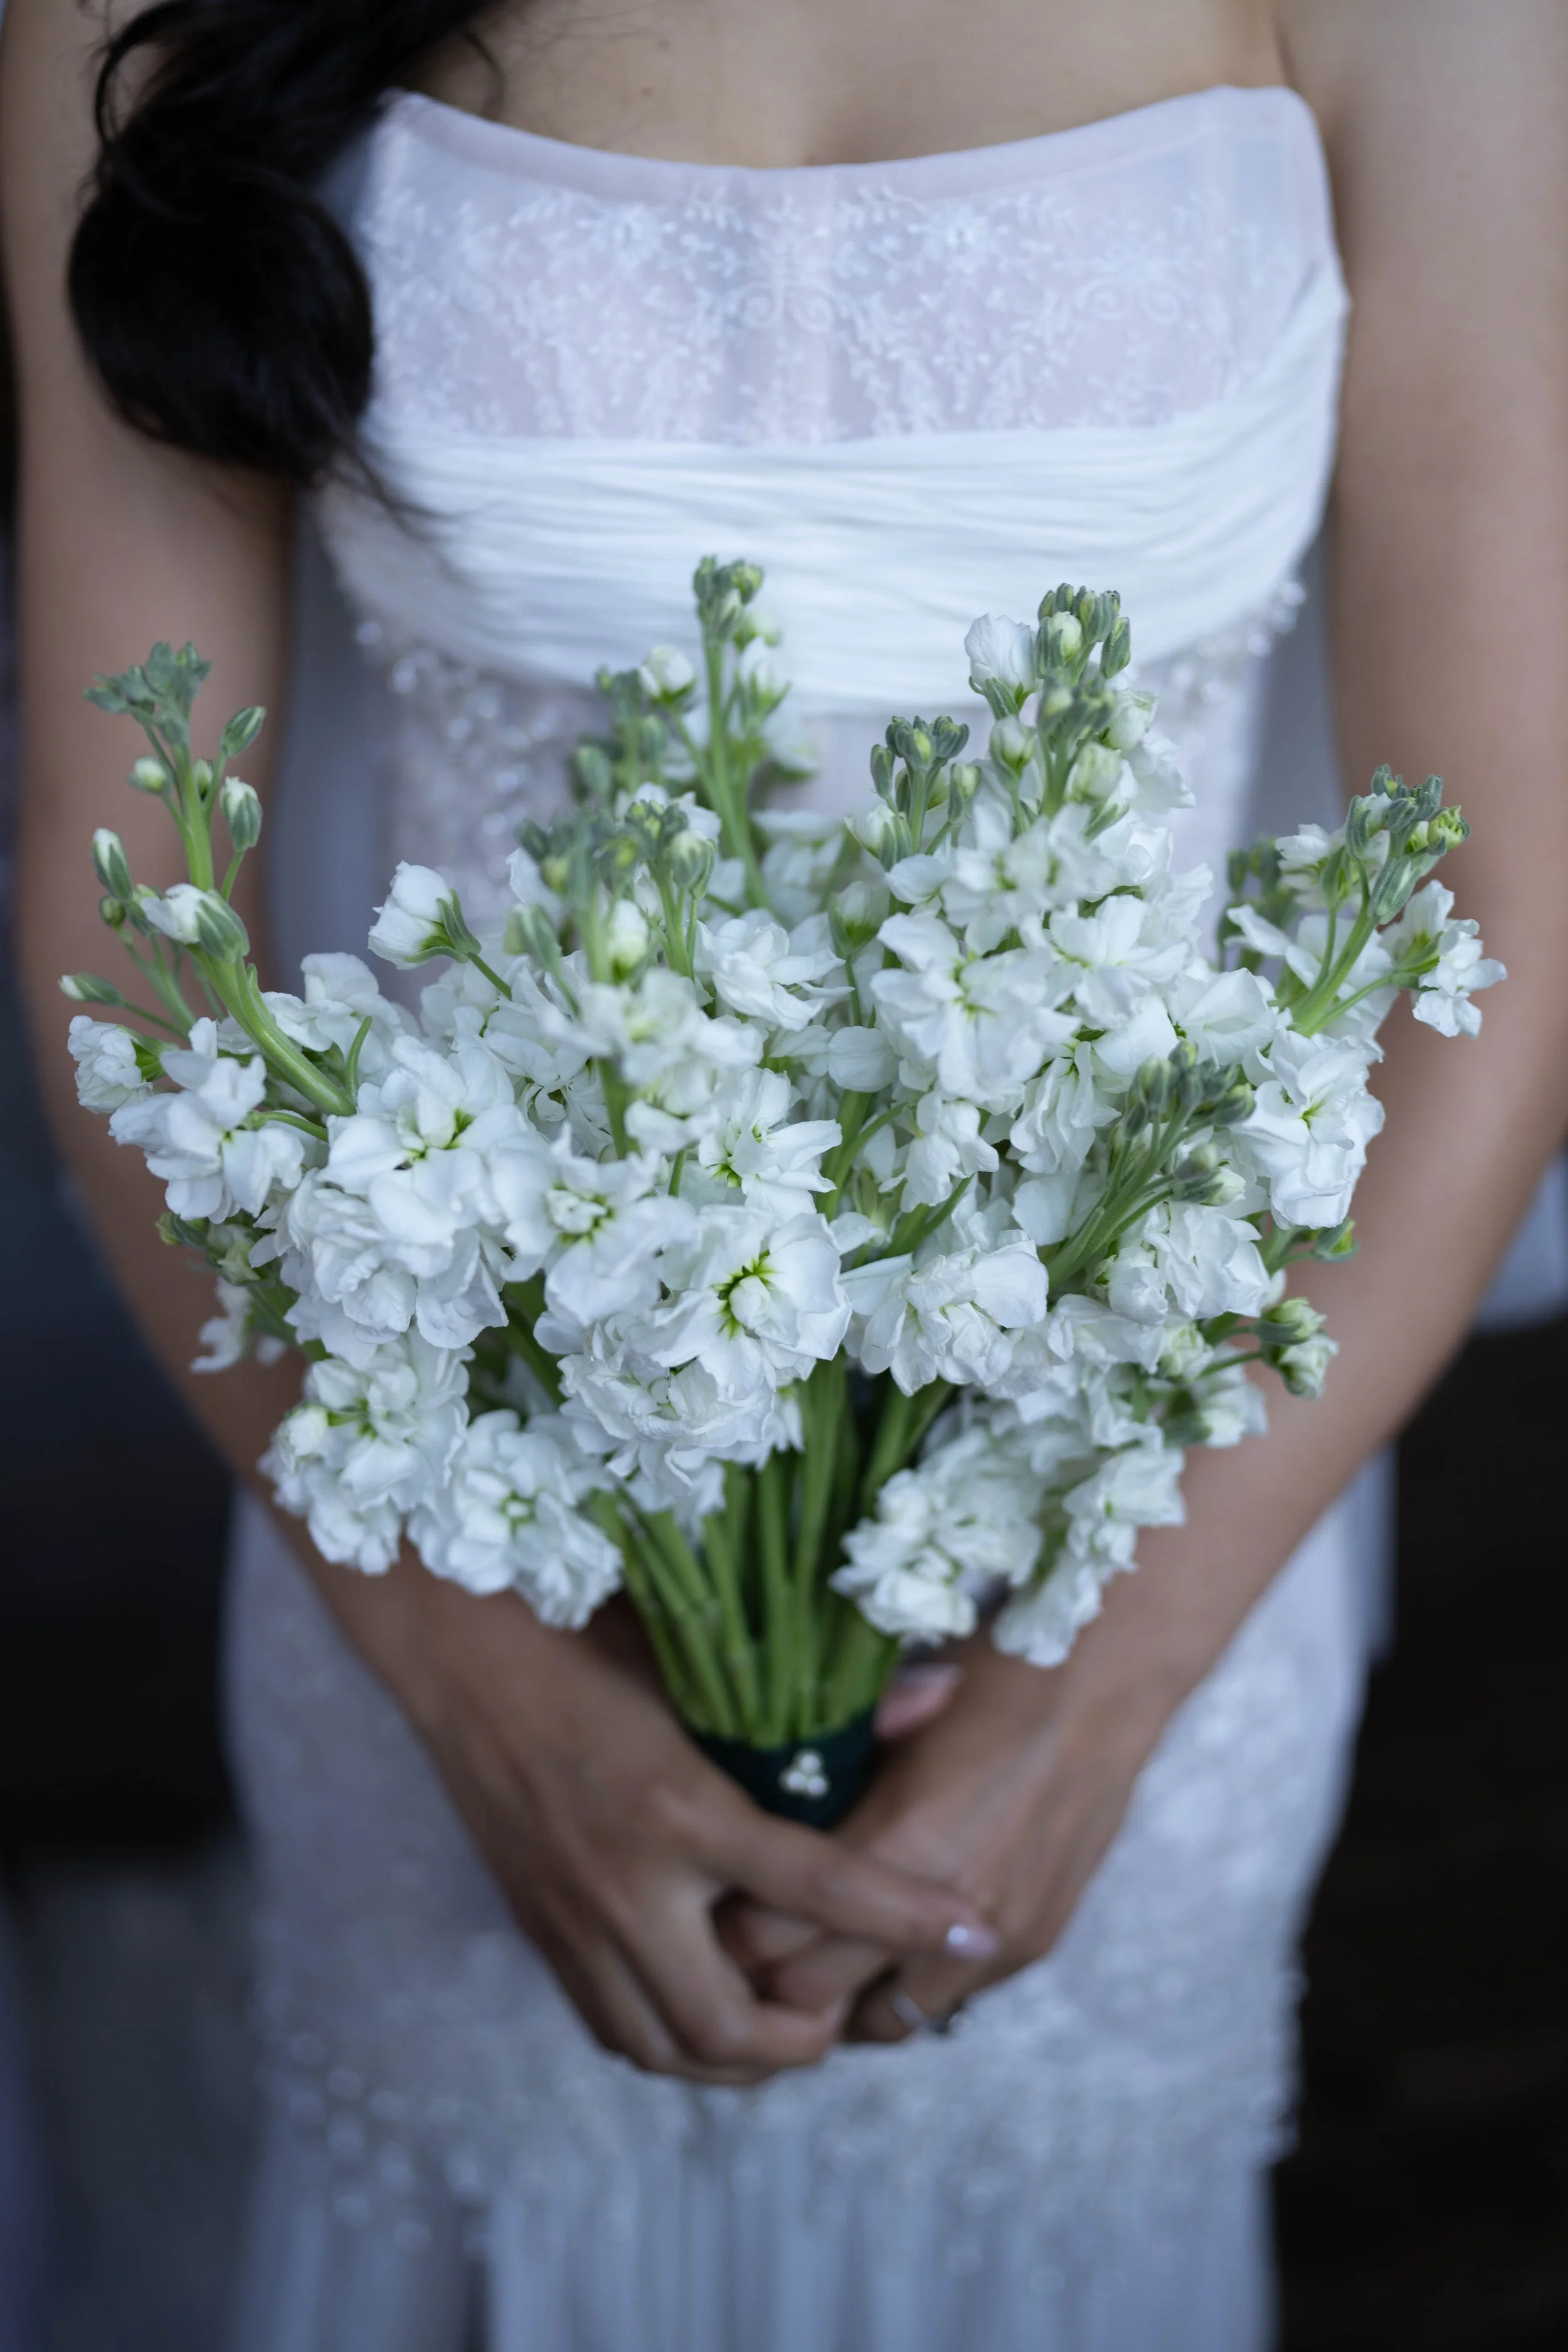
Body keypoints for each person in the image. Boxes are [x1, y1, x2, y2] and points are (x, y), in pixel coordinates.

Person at [5, 3, 1567, 2344]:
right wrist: (473, 1680)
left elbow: (1506, 912)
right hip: (449, 1508)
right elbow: (127, 891)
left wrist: (1093, 1697)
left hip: (1125, 1544)